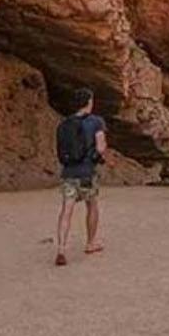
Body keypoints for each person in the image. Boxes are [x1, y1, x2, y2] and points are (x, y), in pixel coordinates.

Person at [54, 87, 107, 266]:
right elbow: (100, 147)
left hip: (68, 171)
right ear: (89, 102)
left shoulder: (65, 124)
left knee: (66, 210)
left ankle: (61, 248)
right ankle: (91, 243)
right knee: (92, 205)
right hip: (87, 172)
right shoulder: (96, 122)